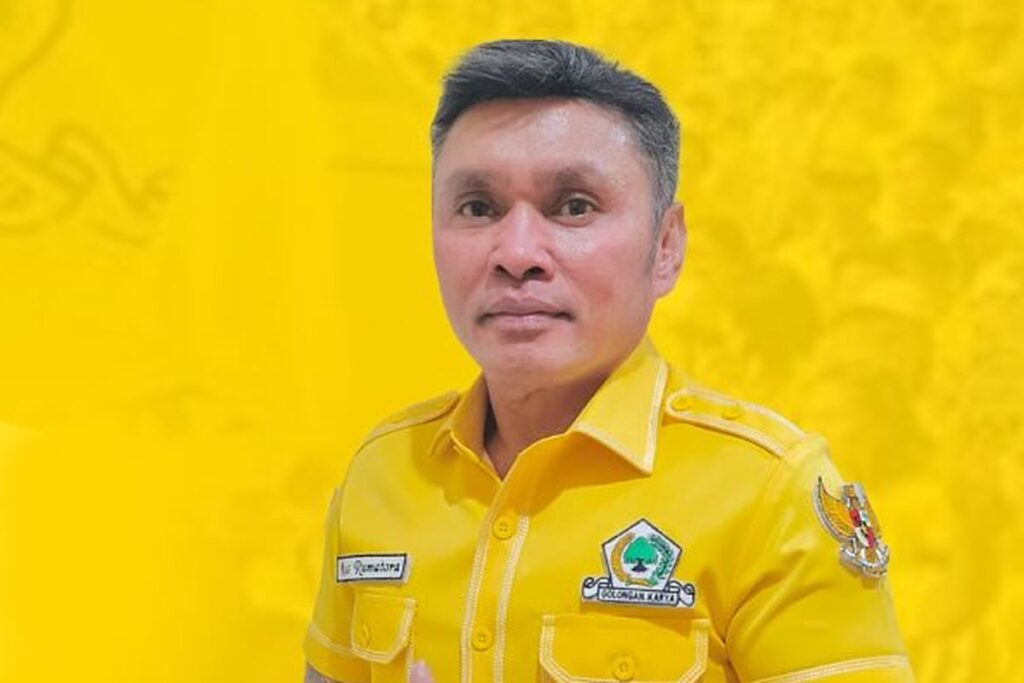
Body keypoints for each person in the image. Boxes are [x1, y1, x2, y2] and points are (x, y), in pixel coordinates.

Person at [303, 39, 914, 683]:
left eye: (573, 207)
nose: (517, 253)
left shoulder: (768, 494)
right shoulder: (382, 475)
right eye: (477, 208)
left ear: (666, 248)